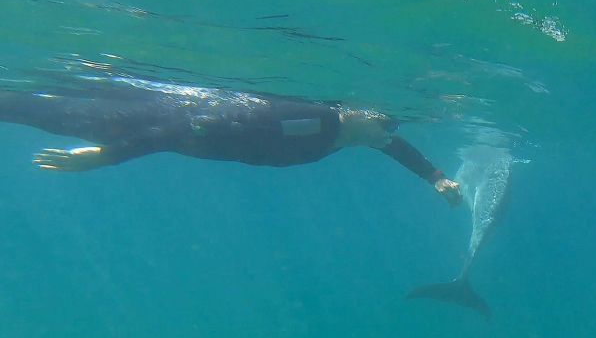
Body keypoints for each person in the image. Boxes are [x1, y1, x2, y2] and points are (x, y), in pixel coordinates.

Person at [0, 80, 462, 205]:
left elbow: (394, 148)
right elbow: (190, 127)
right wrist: (107, 157)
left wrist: (437, 178)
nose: (390, 130)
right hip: (135, 120)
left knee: (30, 111)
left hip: (144, 125)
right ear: (357, 108)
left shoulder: (354, 134)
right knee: (28, 108)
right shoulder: (314, 120)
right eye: (386, 121)